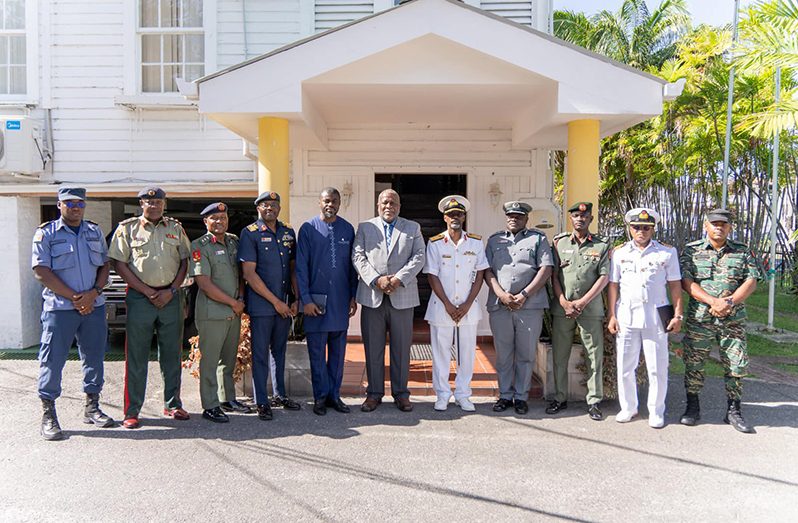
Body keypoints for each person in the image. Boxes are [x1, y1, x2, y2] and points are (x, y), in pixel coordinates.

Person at [32, 187, 115, 440]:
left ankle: (92, 407)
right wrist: (76, 298)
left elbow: (104, 265)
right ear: (59, 205)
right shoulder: (46, 233)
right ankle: (49, 414)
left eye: (80, 203)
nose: (76, 207)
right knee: (53, 359)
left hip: (94, 306)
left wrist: (94, 293)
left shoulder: (94, 231)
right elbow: (41, 271)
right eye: (70, 203)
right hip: (60, 309)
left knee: (94, 357)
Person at [109, 186, 191, 429]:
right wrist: (148, 291)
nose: (154, 205)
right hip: (140, 297)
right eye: (149, 201)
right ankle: (132, 411)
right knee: (136, 356)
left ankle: (173, 404)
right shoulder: (127, 229)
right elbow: (119, 264)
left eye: (159, 202)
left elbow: (185, 261)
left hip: (170, 297)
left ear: (164, 204)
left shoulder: (175, 228)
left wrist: (172, 291)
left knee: (172, 354)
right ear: (141, 204)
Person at [680, 208, 760, 433]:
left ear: (730, 227)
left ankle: (733, 411)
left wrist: (730, 302)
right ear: (705, 226)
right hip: (700, 319)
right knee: (694, 362)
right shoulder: (692, 251)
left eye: (723, 224)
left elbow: (751, 280)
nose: (719, 227)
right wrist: (712, 301)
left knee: (736, 364)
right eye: (714, 223)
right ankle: (692, 407)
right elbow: (687, 282)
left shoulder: (741, 251)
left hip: (732, 319)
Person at [607, 208, 683, 429]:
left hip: (655, 314)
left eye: (646, 228)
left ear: (653, 229)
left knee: (657, 366)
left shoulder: (667, 253)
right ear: (629, 228)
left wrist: (678, 314)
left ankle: (656, 410)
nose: (641, 231)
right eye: (637, 227)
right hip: (627, 314)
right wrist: (612, 314)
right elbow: (613, 285)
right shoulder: (619, 253)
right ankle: (628, 407)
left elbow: (675, 285)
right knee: (625, 365)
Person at [352, 189, 425, 413]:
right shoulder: (365, 227)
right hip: (373, 296)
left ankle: (401, 394)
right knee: (373, 348)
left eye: (393, 203)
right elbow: (358, 255)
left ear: (399, 206)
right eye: (384, 202)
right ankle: (374, 394)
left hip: (402, 296)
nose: (388, 206)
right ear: (378, 205)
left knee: (401, 349)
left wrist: (398, 279)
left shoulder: (412, 228)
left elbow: (419, 255)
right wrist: (376, 280)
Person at [484, 201, 553, 415]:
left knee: (525, 354)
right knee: (504, 354)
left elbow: (546, 269)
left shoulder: (538, 239)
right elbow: (486, 270)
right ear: (506, 217)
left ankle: (521, 397)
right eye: (511, 215)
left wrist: (524, 295)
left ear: (526, 219)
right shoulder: (495, 240)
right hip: (500, 305)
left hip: (529, 306)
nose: (514, 219)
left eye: (519, 216)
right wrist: (501, 294)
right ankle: (505, 395)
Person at [239, 191, 300, 421]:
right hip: (263, 306)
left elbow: (293, 268)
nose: (270, 209)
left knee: (280, 351)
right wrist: (276, 302)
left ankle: (280, 395)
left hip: (284, 304)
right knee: (261, 354)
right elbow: (249, 274)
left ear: (279, 208)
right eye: (265, 205)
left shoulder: (287, 232)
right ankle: (261, 400)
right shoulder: (250, 233)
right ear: (258, 208)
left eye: (274, 205)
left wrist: (296, 298)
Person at [423, 195, 488, 412]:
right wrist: (448, 305)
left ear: (464, 216)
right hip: (442, 307)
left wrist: (468, 304)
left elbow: (480, 274)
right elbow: (432, 275)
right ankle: (442, 394)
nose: (455, 217)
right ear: (444, 217)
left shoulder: (476, 242)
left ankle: (463, 394)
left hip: (469, 307)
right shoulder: (434, 243)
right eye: (451, 214)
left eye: (458, 214)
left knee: (467, 353)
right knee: (441, 353)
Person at [296, 188, 358, 416]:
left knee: (338, 355)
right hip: (316, 304)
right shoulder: (308, 229)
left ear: (340, 203)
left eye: (334, 201)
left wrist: (353, 296)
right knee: (317, 354)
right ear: (318, 202)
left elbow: (353, 267)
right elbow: (301, 268)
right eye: (326, 201)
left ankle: (334, 395)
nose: (330, 204)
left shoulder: (347, 229)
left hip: (340, 302)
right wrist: (306, 300)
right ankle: (320, 397)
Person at [549, 202, 611, 420]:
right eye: (576, 215)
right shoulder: (559, 243)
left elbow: (604, 276)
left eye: (584, 216)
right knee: (560, 355)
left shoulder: (602, 245)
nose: (580, 219)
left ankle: (594, 401)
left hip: (590, 308)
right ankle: (559, 398)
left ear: (591, 219)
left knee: (594, 356)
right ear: (571, 219)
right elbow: (554, 276)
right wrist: (564, 302)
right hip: (562, 308)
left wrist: (583, 301)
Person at [189, 202, 250, 423]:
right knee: (210, 361)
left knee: (228, 359)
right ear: (206, 221)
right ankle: (210, 404)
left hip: (234, 310)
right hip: (212, 312)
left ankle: (227, 398)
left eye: (223, 218)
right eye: (214, 218)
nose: (219, 222)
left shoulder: (234, 242)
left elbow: (241, 274)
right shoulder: (199, 246)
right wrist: (233, 303)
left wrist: (240, 299)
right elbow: (204, 283)